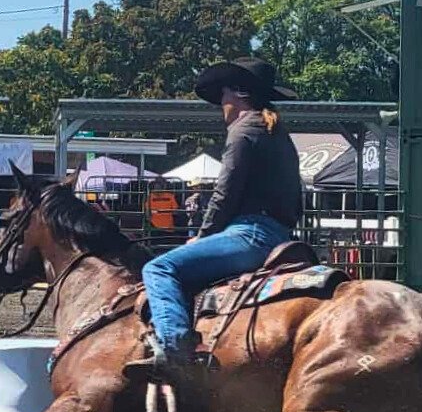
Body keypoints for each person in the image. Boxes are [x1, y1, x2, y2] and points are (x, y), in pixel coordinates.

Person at [125, 57, 302, 380]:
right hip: (282, 237)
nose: (222, 104)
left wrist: (203, 236)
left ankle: (175, 349)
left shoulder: (243, 131)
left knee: (159, 268)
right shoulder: (278, 135)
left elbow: (225, 193)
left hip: (249, 235)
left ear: (240, 93)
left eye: (223, 95)